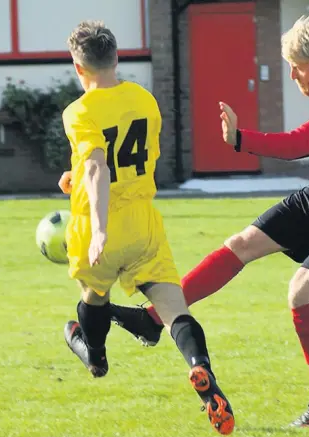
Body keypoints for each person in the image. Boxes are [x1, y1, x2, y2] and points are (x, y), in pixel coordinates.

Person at [112, 14, 309, 427]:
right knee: (242, 244)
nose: (291, 75)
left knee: (301, 294)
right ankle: (153, 320)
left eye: (297, 67)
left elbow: (297, 144)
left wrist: (239, 139)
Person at [58, 20, 234, 435]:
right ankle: (205, 380)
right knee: (175, 312)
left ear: (77, 67)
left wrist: (99, 229)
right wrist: (75, 176)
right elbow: (124, 160)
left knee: (94, 296)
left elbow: (99, 166)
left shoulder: (78, 111)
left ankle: (96, 357)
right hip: (143, 221)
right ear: (116, 58)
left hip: (97, 223)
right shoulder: (143, 99)